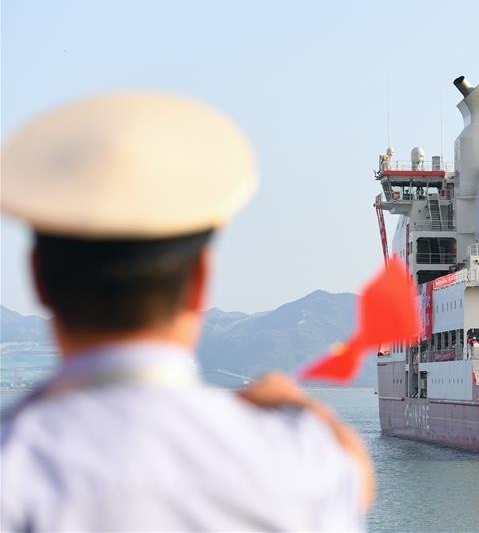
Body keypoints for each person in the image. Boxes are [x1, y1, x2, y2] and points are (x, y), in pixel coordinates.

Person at [0, 93, 373, 531]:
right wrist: (304, 410)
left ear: (38, 278)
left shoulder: (14, 463)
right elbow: (353, 477)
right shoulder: (295, 464)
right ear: (200, 280)